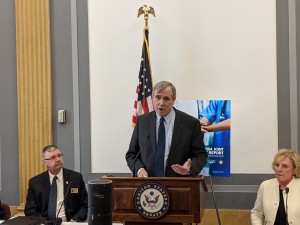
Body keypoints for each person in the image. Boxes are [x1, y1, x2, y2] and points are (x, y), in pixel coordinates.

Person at [126, 81, 208, 177]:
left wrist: (189, 168)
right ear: (152, 98)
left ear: (173, 100)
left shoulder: (190, 123)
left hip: (178, 185)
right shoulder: (142, 122)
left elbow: (201, 155)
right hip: (148, 185)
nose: (161, 103)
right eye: (158, 97)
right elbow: (131, 155)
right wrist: (140, 170)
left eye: (166, 99)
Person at [25, 145, 88, 222]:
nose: (58, 159)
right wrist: (45, 223)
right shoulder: (35, 183)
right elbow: (30, 211)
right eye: (53, 157)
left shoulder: (76, 178)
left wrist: (74, 221)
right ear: (45, 163)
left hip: (69, 223)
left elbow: (85, 205)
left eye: (59, 155)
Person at [251, 148, 300, 225]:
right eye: (277, 165)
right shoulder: (265, 186)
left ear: (294, 169)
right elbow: (257, 213)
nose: (279, 169)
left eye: (285, 166)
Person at [199, 100, 231, 176]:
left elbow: (232, 122)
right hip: (219, 156)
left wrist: (206, 129)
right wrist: (199, 125)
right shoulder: (218, 101)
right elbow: (205, 120)